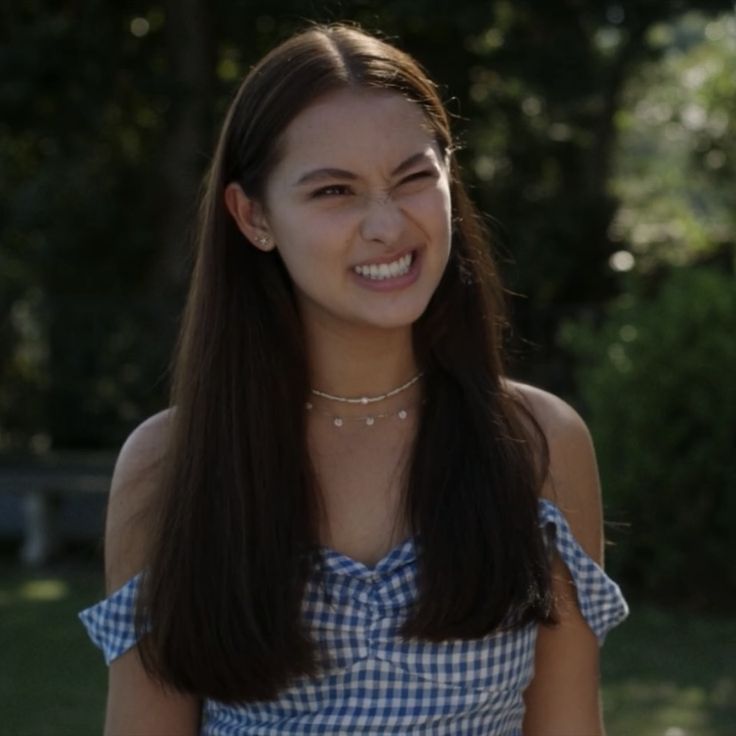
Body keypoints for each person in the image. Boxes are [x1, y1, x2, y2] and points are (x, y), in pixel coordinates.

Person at [79, 22, 628, 736]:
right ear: (253, 216)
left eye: (412, 178)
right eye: (335, 191)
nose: (385, 224)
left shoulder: (538, 445)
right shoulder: (169, 467)